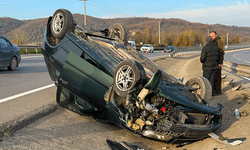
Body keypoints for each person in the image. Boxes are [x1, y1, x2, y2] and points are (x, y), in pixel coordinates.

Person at [209, 31, 224, 95]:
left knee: (217, 76)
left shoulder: (219, 42)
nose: (211, 37)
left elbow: (221, 52)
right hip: (214, 61)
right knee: (214, 76)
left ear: (216, 35)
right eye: (210, 36)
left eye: (212, 36)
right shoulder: (213, 41)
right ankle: (214, 90)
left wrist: (220, 62)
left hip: (218, 62)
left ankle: (218, 91)